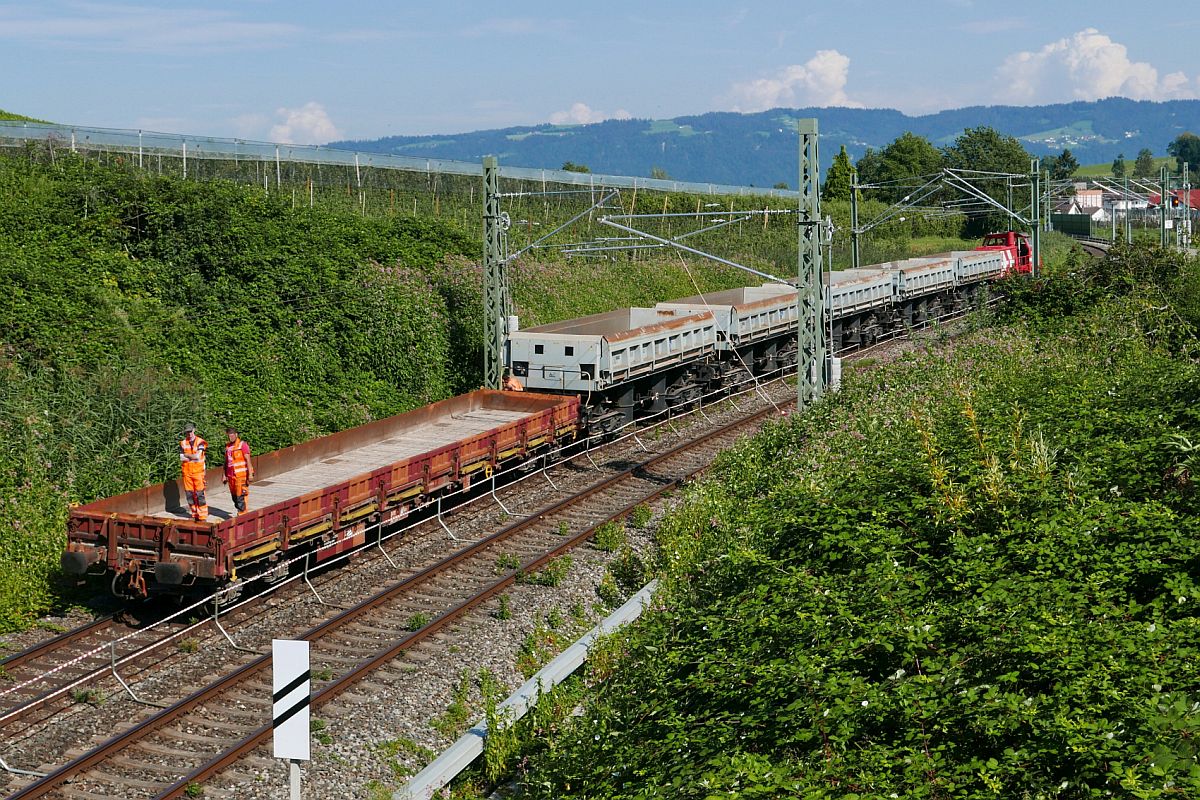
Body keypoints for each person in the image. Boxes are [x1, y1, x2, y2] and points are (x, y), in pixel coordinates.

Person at [179, 423, 208, 522]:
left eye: (190, 431)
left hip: (198, 473)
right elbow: (181, 458)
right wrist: (191, 456)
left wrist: (187, 455)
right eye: (187, 432)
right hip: (187, 473)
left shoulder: (201, 442)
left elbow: (197, 457)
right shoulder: (183, 443)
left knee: (200, 494)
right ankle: (194, 514)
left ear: (194, 430)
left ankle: (202, 516)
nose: (189, 433)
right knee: (190, 495)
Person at [223, 426, 254, 515]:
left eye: (232, 435)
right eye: (229, 436)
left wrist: (250, 474)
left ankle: (242, 514)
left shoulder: (242, 445)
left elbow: (248, 460)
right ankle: (240, 512)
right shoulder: (228, 446)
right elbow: (226, 462)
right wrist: (224, 475)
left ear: (236, 435)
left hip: (241, 476)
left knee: (241, 496)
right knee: (234, 497)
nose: (230, 437)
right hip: (231, 476)